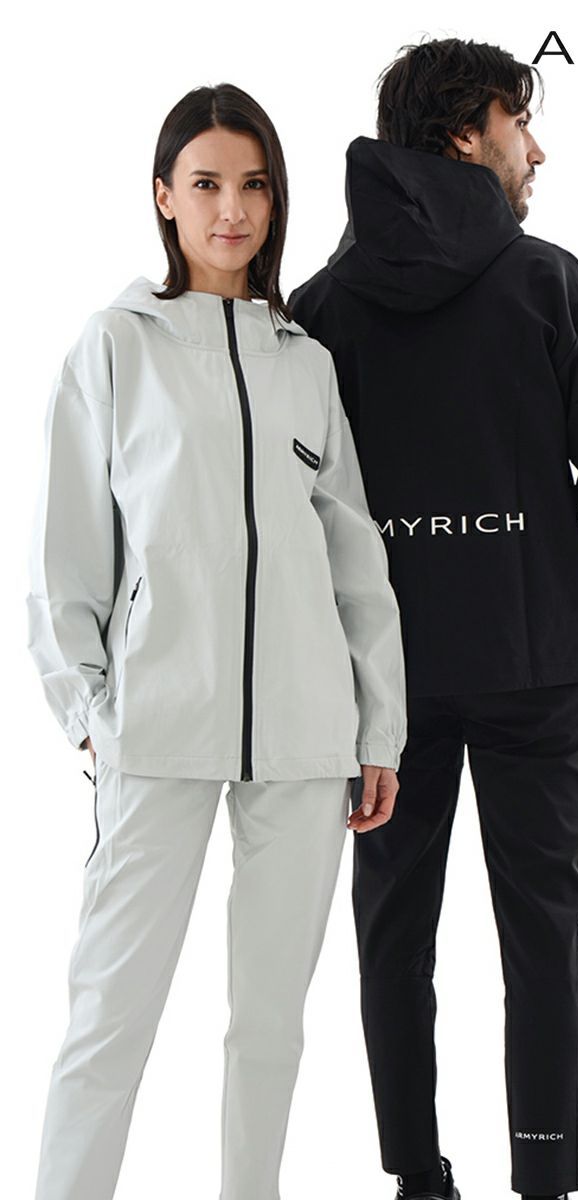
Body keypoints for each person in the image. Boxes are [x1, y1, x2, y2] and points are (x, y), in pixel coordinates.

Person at [291, 37, 578, 1200]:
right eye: (521, 123)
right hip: (533, 663)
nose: (536, 149)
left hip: (382, 690)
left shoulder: (319, 310)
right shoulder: (548, 284)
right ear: (468, 132)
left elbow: (290, 517)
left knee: (390, 932)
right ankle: (545, 1181)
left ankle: (416, 1178)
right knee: (542, 933)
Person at [27, 83, 405, 1199]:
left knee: (271, 1024)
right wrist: (92, 713)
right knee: (111, 1015)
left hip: (304, 735)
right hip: (155, 730)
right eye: (206, 185)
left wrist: (376, 727)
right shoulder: (116, 345)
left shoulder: (305, 360)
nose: (231, 210)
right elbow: (65, 554)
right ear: (164, 197)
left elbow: (355, 559)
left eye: (253, 186)